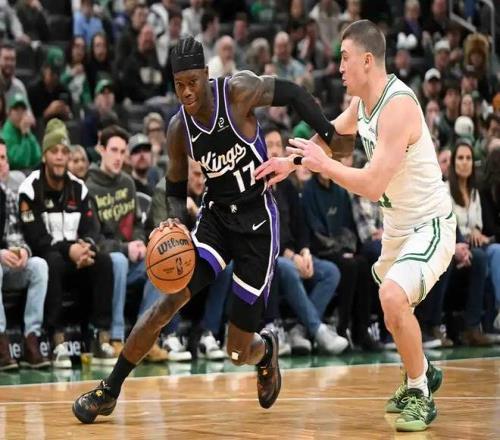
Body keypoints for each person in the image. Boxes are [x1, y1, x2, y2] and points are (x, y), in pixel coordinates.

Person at [73, 35, 351, 423]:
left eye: (193, 82)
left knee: (237, 351)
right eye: (179, 85)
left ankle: (265, 351)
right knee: (165, 303)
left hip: (257, 223)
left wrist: (326, 132)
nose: (187, 92)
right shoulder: (178, 128)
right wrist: (173, 220)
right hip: (216, 219)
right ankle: (110, 390)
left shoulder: (238, 92)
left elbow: (292, 93)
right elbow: (174, 185)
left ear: (206, 74)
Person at [256, 20, 456, 432]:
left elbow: (372, 184)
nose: (340, 67)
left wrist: (323, 165)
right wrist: (290, 163)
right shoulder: (362, 105)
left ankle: (420, 391)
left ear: (367, 60)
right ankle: (423, 369)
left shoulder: (398, 106)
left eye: (345, 58)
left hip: (429, 224)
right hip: (398, 228)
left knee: (393, 297)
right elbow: (331, 138)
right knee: (392, 309)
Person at [18, 119, 115, 368]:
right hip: (49, 259)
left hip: (76, 258)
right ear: (45, 155)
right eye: (54, 151)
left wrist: (85, 248)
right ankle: (57, 340)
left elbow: (92, 228)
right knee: (52, 261)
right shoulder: (29, 189)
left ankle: (100, 336)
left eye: (64, 151)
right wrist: (68, 250)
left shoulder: (79, 188)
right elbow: (37, 239)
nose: (60, 157)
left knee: (104, 261)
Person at [0, 139, 50, 370]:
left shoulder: (12, 195)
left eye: (3, 158)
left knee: (39, 265)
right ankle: (1, 341)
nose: (1, 163)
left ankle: (32, 339)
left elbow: (22, 234)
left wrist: (24, 251)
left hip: (11, 265)